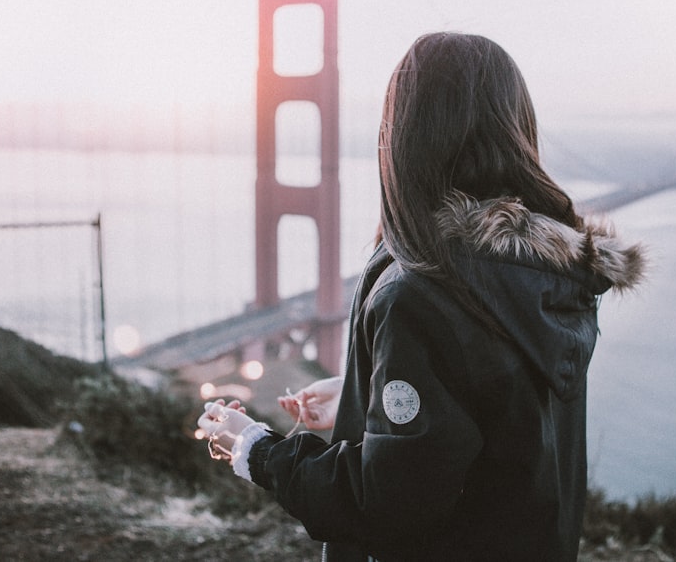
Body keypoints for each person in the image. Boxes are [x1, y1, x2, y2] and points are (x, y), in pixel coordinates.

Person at [198, 32, 646, 561]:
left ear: (403, 136)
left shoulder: (421, 292)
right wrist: (366, 391)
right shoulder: (548, 273)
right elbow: (504, 406)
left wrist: (255, 449)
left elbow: (384, 506)